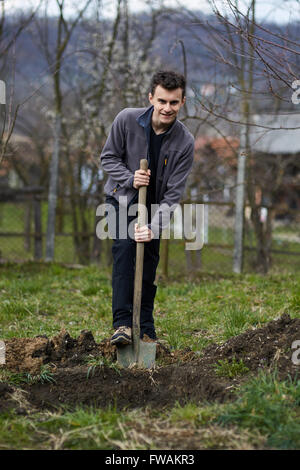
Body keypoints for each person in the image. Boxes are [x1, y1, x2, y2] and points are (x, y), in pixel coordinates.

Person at [100, 70, 194, 345]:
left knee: (149, 264)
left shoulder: (184, 141)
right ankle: (122, 325)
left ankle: (145, 327)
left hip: (154, 208)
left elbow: (174, 193)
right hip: (122, 198)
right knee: (125, 252)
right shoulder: (127, 119)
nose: (167, 108)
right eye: (162, 100)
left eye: (174, 102)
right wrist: (131, 177)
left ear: (182, 102)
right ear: (151, 97)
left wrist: (153, 227)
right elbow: (108, 157)